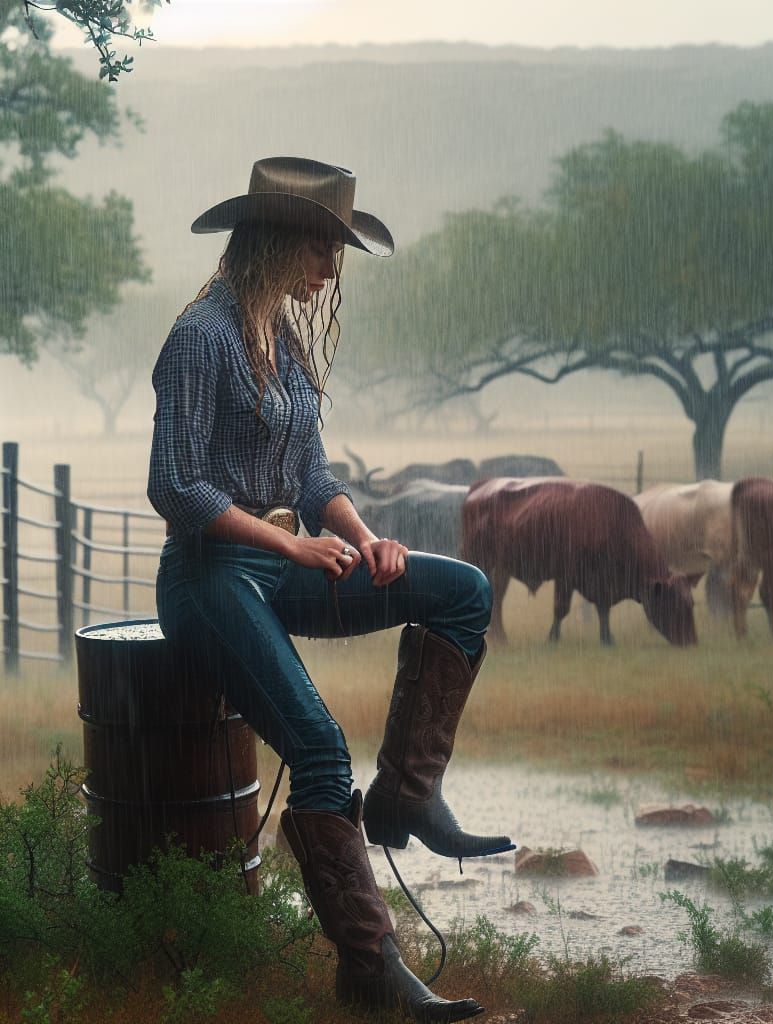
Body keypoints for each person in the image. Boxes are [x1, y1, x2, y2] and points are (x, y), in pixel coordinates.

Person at [148, 156, 513, 1023]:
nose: (332, 266)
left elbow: (311, 472)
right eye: (323, 245)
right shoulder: (201, 336)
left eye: (338, 249)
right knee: (317, 747)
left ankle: (406, 796)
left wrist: (362, 538)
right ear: (277, 240)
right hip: (209, 577)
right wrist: (289, 544)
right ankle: (372, 969)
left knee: (461, 590)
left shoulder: (286, 337)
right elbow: (176, 485)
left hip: (289, 559)